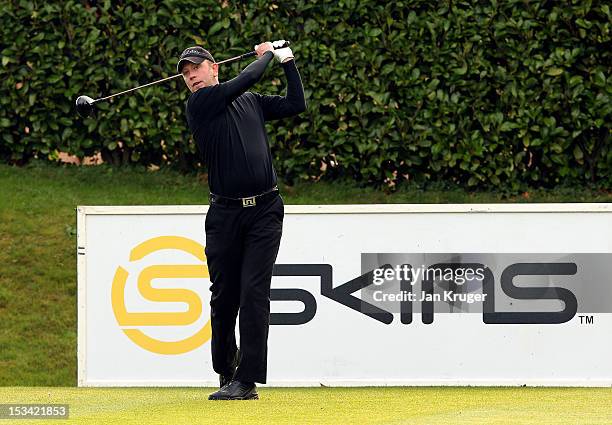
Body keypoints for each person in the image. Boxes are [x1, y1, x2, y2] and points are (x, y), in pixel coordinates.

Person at [177, 40, 306, 400]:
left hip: (265, 210)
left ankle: (246, 381)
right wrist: (266, 54)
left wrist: (288, 62)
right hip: (224, 215)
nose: (192, 78)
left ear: (213, 67)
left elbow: (297, 104)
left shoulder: (252, 102)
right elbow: (246, 79)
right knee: (224, 298)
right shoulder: (200, 104)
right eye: (186, 74)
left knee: (253, 293)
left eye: (196, 69)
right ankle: (225, 371)